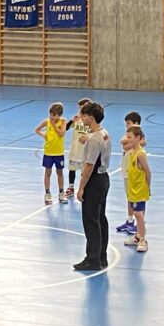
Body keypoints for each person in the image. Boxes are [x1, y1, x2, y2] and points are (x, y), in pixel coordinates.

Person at [74, 101, 111, 271]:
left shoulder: (94, 139)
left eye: (83, 115)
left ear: (91, 117)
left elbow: (89, 165)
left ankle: (93, 258)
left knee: (91, 220)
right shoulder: (103, 133)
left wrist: (81, 187)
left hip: (94, 180)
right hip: (103, 178)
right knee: (100, 218)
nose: (81, 118)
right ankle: (102, 256)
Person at [123, 126, 151, 253]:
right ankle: (138, 236)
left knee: (138, 214)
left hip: (139, 189)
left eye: (130, 137)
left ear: (138, 138)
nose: (127, 139)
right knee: (136, 213)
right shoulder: (131, 152)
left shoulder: (141, 154)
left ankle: (143, 240)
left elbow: (147, 172)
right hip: (132, 188)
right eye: (127, 137)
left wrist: (148, 187)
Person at [34, 102, 68, 204]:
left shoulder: (63, 121)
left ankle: (61, 193)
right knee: (47, 172)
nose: (52, 117)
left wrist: (54, 125)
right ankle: (47, 193)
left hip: (59, 152)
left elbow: (61, 134)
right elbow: (37, 129)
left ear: (59, 115)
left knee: (59, 172)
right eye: (51, 114)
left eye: (54, 115)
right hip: (48, 152)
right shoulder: (47, 121)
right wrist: (44, 135)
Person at [116, 111, 143, 234]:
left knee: (135, 198)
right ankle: (130, 220)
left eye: (128, 123)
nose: (126, 126)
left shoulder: (140, 137)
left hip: (133, 172)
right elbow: (122, 142)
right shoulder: (129, 135)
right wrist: (129, 142)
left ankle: (139, 224)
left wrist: (129, 143)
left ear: (136, 124)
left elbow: (126, 146)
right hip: (126, 170)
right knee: (129, 196)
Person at [65, 98, 92, 199]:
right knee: (72, 169)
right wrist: (71, 120)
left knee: (84, 172)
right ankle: (71, 187)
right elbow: (65, 128)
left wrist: (87, 138)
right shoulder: (77, 119)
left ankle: (83, 188)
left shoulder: (90, 120)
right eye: (81, 107)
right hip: (74, 150)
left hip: (85, 151)